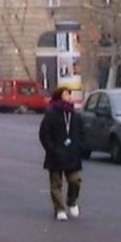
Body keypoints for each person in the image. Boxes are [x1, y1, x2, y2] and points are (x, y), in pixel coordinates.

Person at [39, 86, 84, 221]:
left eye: (69, 94)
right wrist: (51, 148)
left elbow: (81, 133)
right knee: (56, 183)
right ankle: (59, 209)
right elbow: (44, 134)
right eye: (66, 94)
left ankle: (72, 201)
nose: (69, 97)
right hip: (56, 154)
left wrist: (79, 147)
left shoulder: (75, 115)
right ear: (59, 96)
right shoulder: (51, 114)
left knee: (75, 180)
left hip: (72, 154)